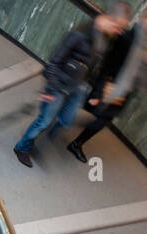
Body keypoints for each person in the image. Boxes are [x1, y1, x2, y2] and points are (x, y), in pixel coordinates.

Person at [13, 10, 128, 167]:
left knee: (66, 121)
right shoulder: (78, 35)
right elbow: (52, 63)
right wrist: (51, 88)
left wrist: (93, 91)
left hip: (78, 87)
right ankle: (22, 147)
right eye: (116, 26)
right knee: (44, 121)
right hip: (59, 85)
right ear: (104, 19)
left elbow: (93, 68)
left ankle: (39, 143)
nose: (118, 31)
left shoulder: (103, 41)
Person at [69, 6, 146, 163]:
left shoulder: (143, 42)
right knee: (99, 115)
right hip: (112, 85)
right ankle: (75, 141)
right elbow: (109, 62)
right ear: (144, 19)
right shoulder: (127, 37)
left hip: (124, 90)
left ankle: (76, 138)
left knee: (102, 117)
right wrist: (101, 87)